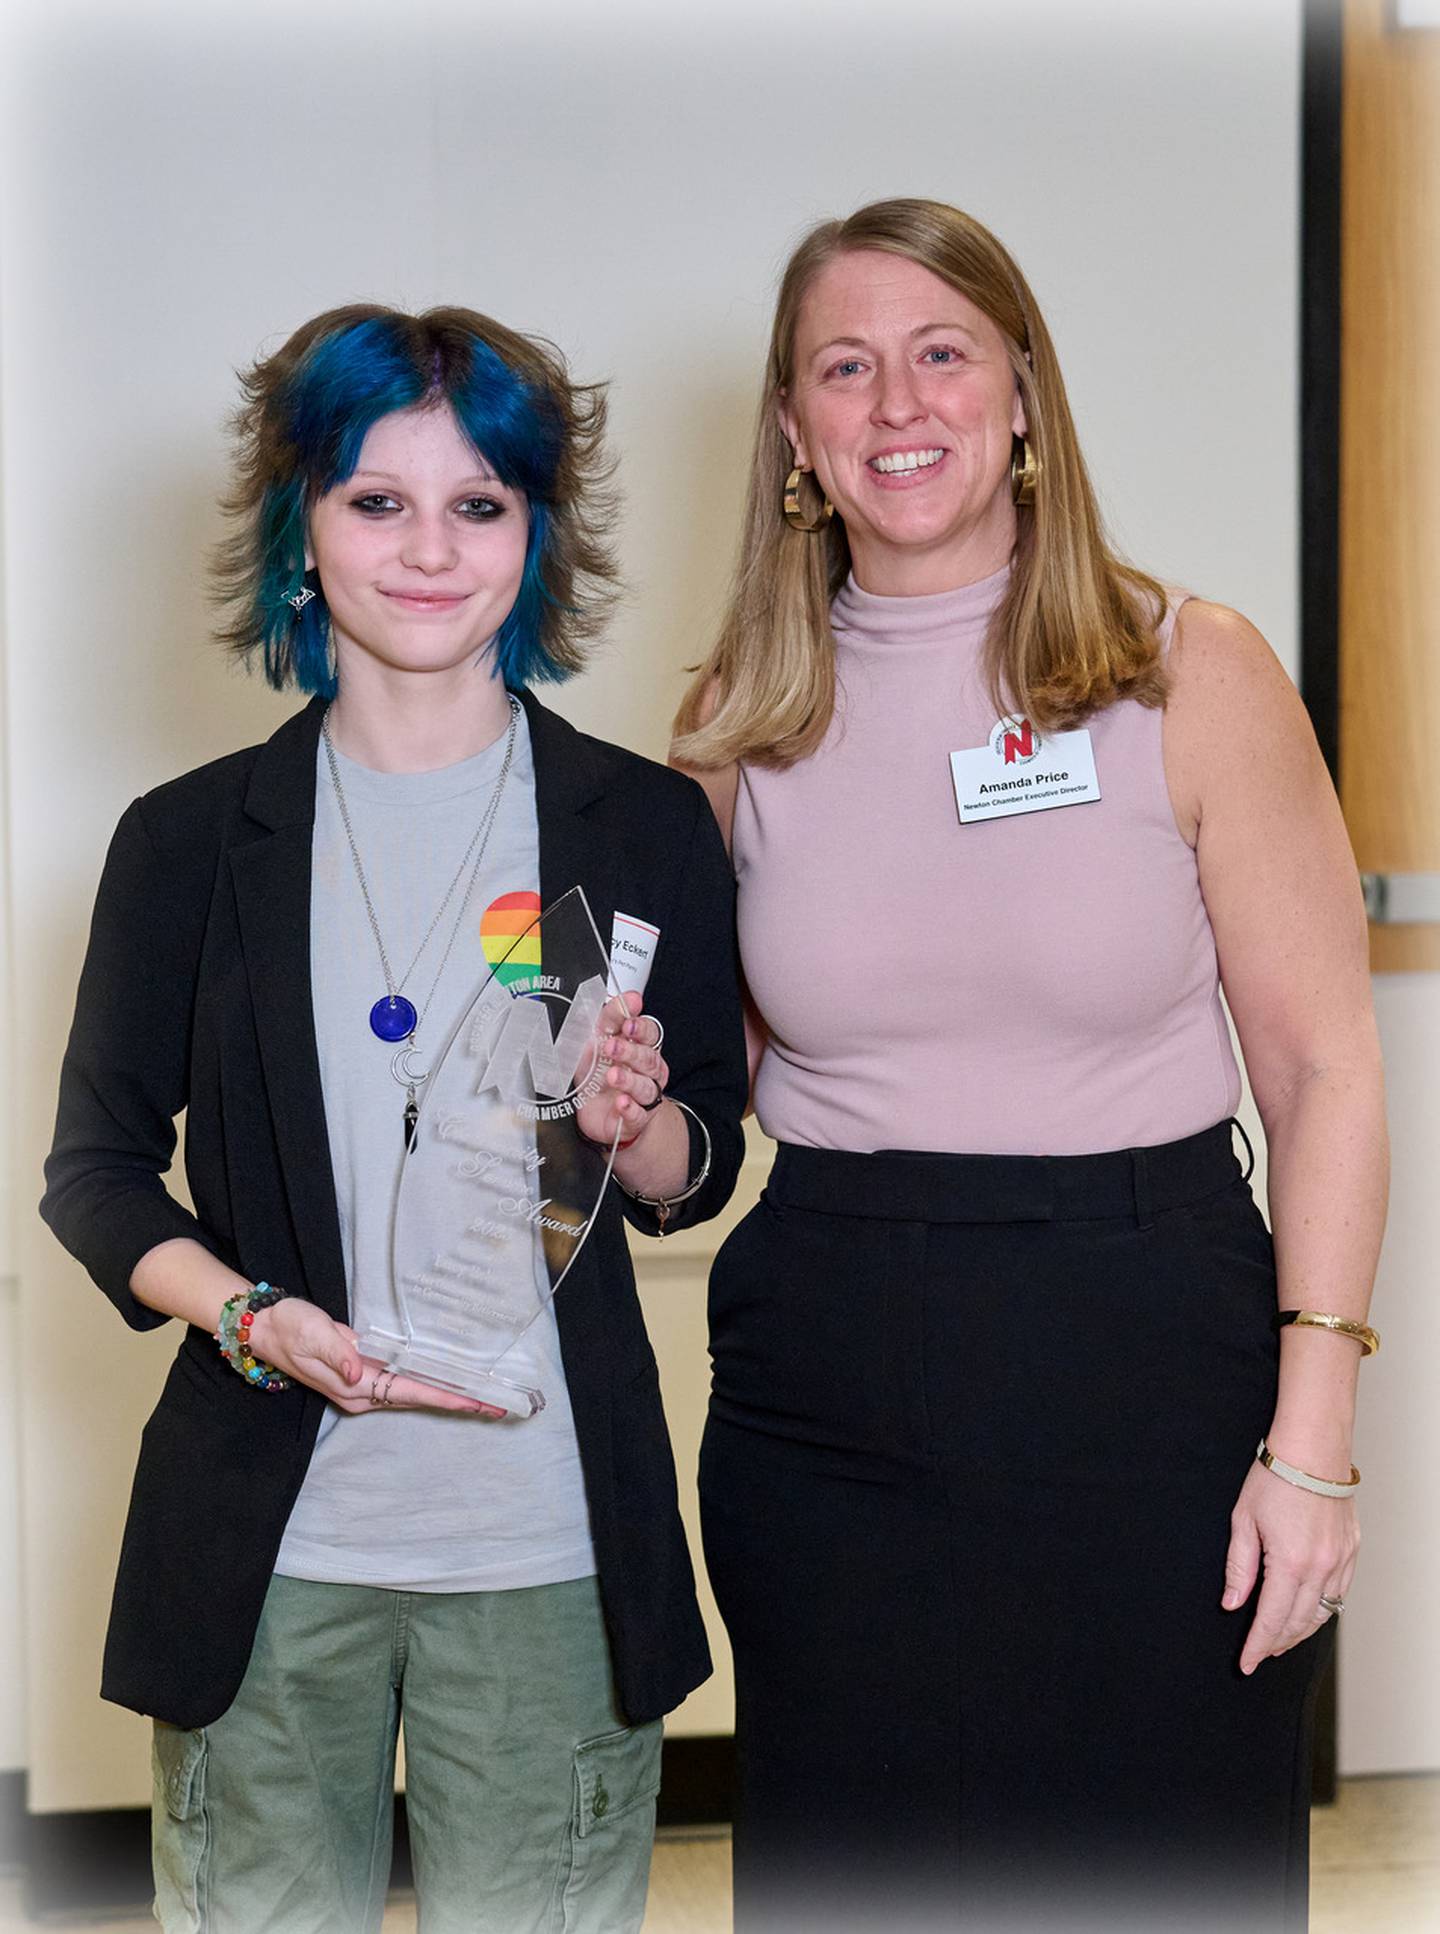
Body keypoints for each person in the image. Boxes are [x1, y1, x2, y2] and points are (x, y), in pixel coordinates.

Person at [672, 199, 1386, 1933]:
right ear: (794, 431)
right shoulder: (729, 722)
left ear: (1020, 397)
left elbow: (1322, 1070)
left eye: (942, 353)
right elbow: (696, 1100)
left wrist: (1313, 1440)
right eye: (845, 366)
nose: (895, 401)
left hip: (1151, 1359)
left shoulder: (1185, 667)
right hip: (825, 1378)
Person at [42, 302, 747, 1934]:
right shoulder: (186, 843)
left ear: (535, 536)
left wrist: (636, 1123)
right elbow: (93, 1175)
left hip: (552, 1555)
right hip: (271, 1560)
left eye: (479, 505)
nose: (430, 550)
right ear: (303, 527)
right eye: (377, 501)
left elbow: (692, 1159)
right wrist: (250, 1316)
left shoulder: (637, 826)